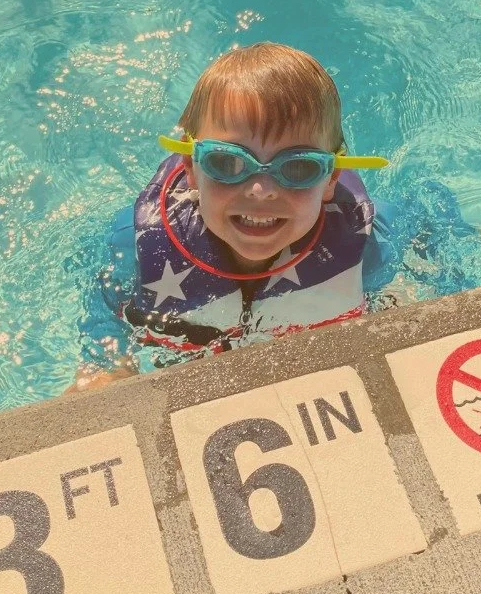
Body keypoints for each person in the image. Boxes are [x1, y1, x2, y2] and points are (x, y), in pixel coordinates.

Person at [70, 43, 396, 391]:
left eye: (299, 167)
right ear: (192, 169)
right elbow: (105, 310)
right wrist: (108, 365)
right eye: (227, 163)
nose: (260, 190)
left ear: (330, 178)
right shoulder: (134, 243)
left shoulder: (365, 243)